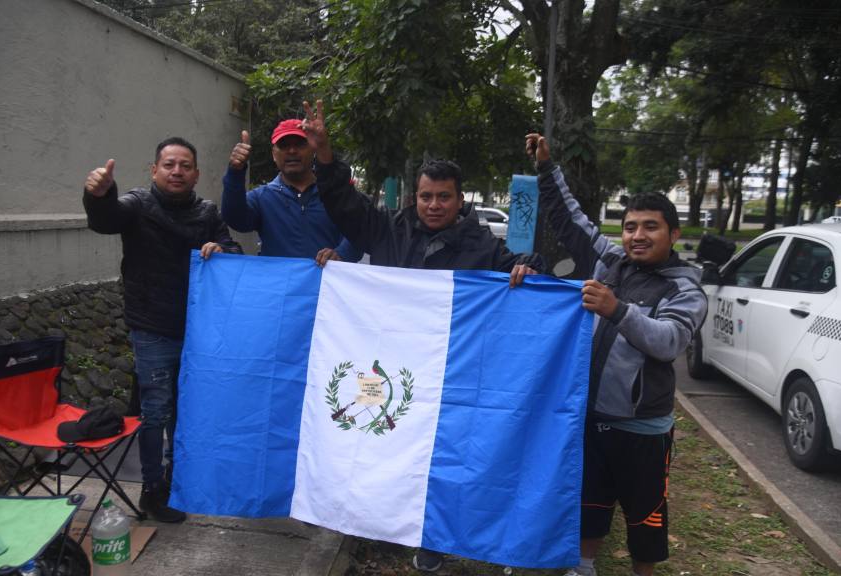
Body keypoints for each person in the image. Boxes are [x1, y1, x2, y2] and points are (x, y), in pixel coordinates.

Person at [303, 100, 543, 572]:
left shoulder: (482, 245)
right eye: (426, 196)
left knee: (448, 458)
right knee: (383, 444)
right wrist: (325, 153)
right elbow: (343, 203)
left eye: (444, 197)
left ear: (460, 200)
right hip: (393, 370)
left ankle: (433, 538)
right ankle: (381, 521)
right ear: (414, 196)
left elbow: (521, 273)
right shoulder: (386, 230)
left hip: (453, 374)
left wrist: (525, 270)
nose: (434, 205)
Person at [526, 133, 707, 576]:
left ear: (673, 233)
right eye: (630, 227)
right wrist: (547, 170)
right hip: (592, 416)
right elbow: (571, 222)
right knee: (590, 497)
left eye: (650, 227)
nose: (637, 235)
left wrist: (617, 309)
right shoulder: (610, 263)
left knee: (645, 513)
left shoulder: (685, 287)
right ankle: (584, 566)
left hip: (643, 425)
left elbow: (668, 341)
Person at [83, 137, 242, 523]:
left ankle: (177, 482)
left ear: (196, 174)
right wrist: (99, 196)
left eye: (185, 165)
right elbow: (106, 220)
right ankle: (152, 490)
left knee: (185, 415)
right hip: (151, 328)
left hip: (198, 330)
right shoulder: (136, 204)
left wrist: (221, 251)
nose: (177, 171)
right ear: (154, 170)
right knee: (155, 412)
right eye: (169, 164)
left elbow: (235, 250)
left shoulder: (206, 212)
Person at [221, 119, 362, 266]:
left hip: (326, 287)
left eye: (300, 144)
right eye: (284, 145)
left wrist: (341, 254)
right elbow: (235, 219)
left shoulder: (335, 195)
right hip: (279, 287)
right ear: (274, 154)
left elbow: (359, 233)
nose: (292, 151)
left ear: (313, 149)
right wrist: (235, 172)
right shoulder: (262, 198)